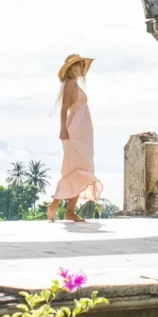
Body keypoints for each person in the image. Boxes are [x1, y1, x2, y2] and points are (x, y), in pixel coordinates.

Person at [47, 54, 103, 222]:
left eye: (82, 65)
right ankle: (55, 204)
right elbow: (64, 108)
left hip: (83, 133)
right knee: (74, 169)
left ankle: (70, 211)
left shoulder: (75, 85)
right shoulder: (69, 84)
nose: (82, 68)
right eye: (79, 65)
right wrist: (63, 128)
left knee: (83, 170)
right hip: (75, 131)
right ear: (72, 68)